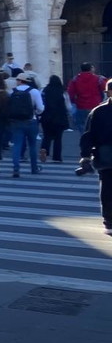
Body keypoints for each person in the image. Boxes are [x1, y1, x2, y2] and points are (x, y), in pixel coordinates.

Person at [78, 78, 112, 236]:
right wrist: (85, 155)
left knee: (107, 188)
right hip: (105, 155)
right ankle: (109, 219)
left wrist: (85, 156)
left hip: (105, 155)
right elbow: (88, 135)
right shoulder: (98, 112)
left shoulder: (98, 111)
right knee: (107, 188)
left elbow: (88, 136)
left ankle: (109, 220)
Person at [7, 71, 45, 178]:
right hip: (31, 121)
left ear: (19, 81)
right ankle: (34, 168)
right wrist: (36, 113)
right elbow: (40, 108)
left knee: (17, 145)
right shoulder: (34, 92)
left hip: (16, 122)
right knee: (32, 145)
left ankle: (16, 169)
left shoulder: (12, 92)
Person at [40, 74, 70, 163]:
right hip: (59, 118)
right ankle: (57, 157)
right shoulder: (62, 92)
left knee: (46, 136)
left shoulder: (45, 90)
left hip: (47, 117)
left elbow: (41, 104)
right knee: (58, 138)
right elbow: (68, 106)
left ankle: (44, 150)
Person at [68, 63, 105, 132]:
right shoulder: (98, 78)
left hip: (81, 105)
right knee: (96, 124)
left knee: (82, 125)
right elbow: (104, 89)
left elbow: (71, 92)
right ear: (91, 68)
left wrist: (74, 102)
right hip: (95, 104)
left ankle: (84, 139)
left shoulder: (75, 79)